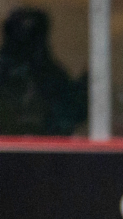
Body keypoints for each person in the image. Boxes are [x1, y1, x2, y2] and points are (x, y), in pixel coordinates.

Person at [0, 8, 85, 136]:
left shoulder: (54, 76)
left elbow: (68, 118)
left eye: (33, 35)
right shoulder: (4, 70)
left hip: (47, 149)